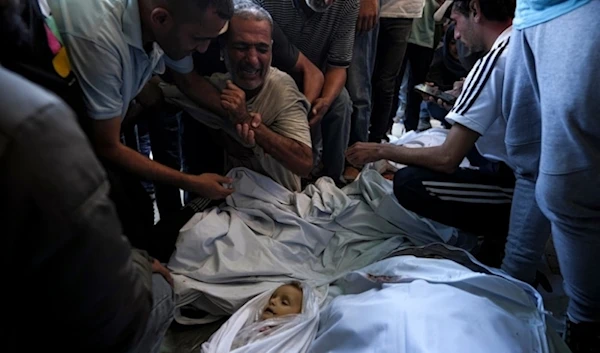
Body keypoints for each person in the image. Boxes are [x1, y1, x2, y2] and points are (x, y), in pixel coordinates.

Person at [0, 2, 173, 352]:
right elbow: (116, 313)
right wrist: (139, 265)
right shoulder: (34, 127)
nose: (202, 48)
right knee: (162, 290)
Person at [49, 0, 244, 248]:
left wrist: (242, 117)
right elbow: (107, 146)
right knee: (130, 219)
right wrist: (193, 182)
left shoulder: (166, 23)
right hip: (59, 146)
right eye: (198, 38)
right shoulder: (98, 37)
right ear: (160, 19)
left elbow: (189, 82)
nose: (204, 49)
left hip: (94, 129)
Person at [347, 0, 515, 266]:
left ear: (476, 11)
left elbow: (447, 159)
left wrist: (379, 149)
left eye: (456, 23)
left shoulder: (495, 61)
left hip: (516, 186)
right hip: (523, 169)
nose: (456, 34)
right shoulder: (517, 43)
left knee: (409, 182)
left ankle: (496, 235)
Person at [501, 0, 600, 351]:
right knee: (528, 156)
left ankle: (585, 323)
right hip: (531, 13)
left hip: (580, 8)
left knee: (570, 186)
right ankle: (512, 287)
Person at [162, 1, 313, 191]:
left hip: (283, 201)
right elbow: (167, 90)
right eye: (241, 47)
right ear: (223, 49)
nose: (252, 59)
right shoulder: (215, 86)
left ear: (272, 50)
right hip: (234, 201)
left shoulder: (282, 89)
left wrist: (246, 120)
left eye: (262, 49)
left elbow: (304, 164)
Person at [253, 0, 358, 184]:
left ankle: (332, 183)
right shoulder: (266, 3)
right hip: (270, 73)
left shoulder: (348, 4)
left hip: (314, 75)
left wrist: (324, 100)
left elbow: (338, 67)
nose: (326, 1)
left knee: (341, 102)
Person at [368, 0, 424, 142]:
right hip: (374, 8)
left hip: (403, 11)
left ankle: (376, 138)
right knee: (365, 80)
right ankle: (364, 138)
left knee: (386, 82)